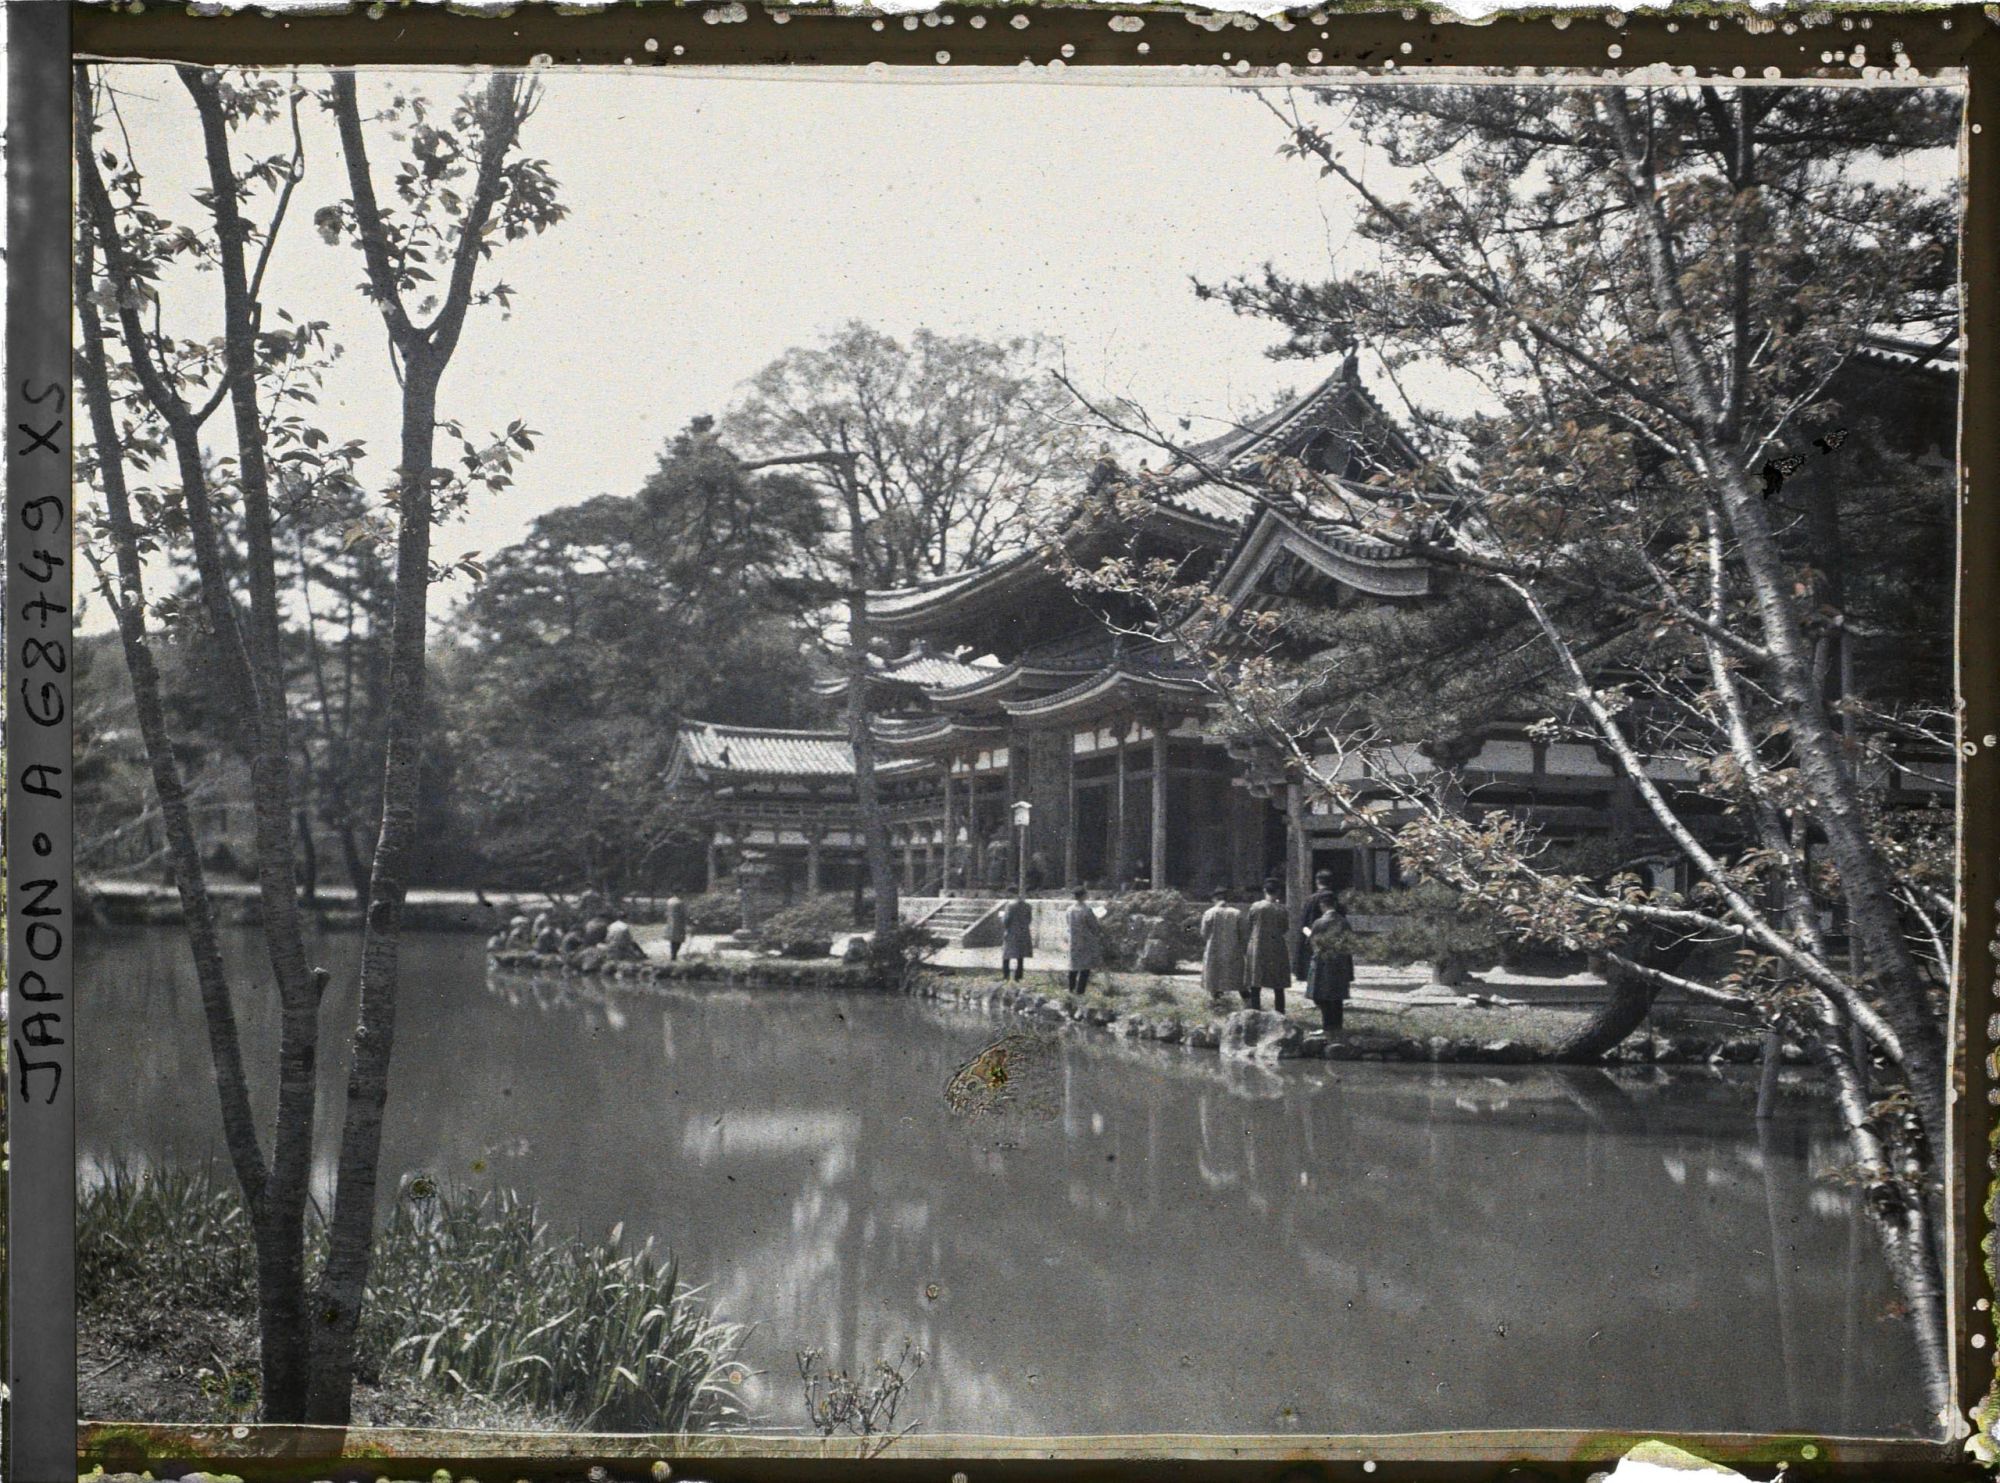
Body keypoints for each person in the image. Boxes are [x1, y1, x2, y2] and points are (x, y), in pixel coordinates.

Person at [1305, 900, 1357, 1034]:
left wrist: (1307, 932)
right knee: (1337, 995)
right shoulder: (1344, 922)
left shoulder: (1319, 922)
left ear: (1323, 905)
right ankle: (1337, 1026)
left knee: (1323, 995)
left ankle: (1327, 1026)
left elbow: (1312, 942)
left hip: (1323, 962)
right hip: (1340, 962)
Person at [1242, 878, 1293, 1013]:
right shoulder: (1282, 909)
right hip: (1276, 946)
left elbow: (1249, 924)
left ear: (1265, 890)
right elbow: (1284, 928)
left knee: (1255, 979)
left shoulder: (1256, 907)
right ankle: (1280, 1011)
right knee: (1278, 982)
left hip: (1257, 944)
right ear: (1278, 892)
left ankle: (1255, 1011)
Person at [1294, 869, 1344, 979]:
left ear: (1317, 882)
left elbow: (1304, 924)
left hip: (1313, 938)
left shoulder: (1311, 899)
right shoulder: (1336, 899)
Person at [1199, 887, 1245, 1005]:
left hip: (1214, 950)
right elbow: (1243, 934)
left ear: (1215, 898)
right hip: (1232, 950)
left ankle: (1218, 1005)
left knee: (1215, 978)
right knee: (1237, 978)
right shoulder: (1237, 913)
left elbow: (1204, 933)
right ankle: (1249, 1005)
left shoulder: (1209, 913)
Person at [1065, 887, 1104, 996]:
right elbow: (1094, 926)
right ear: (1083, 896)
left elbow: (1068, 924)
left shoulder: (1069, 910)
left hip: (1073, 940)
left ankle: (1071, 989)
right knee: (1085, 968)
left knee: (1073, 966)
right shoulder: (1086, 910)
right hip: (1086, 941)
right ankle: (1080, 991)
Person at [1000, 893, 1035, 981]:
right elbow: (1029, 920)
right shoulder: (1028, 906)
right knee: (1020, 955)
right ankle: (1018, 976)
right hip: (1023, 933)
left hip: (1011, 933)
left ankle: (1006, 975)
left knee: (1006, 955)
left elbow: (1006, 921)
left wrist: (1001, 917)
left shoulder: (1010, 906)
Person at [664, 894, 688, 962]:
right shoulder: (680, 902)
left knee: (673, 940)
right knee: (678, 940)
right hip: (679, 923)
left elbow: (666, 912)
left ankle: (673, 955)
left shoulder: (669, 901)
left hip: (670, 922)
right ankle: (674, 956)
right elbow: (683, 914)